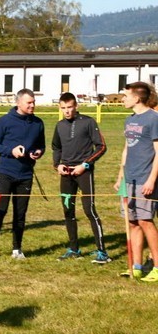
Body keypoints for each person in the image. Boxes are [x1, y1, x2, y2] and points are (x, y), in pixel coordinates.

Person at [0, 88, 45, 260]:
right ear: (18, 103)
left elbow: (41, 145)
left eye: (33, 102)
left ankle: (17, 249)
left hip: (26, 175)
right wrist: (11, 151)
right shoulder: (5, 121)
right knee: (0, 209)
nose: (32, 105)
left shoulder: (38, 123)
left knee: (20, 212)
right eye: (29, 102)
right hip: (6, 172)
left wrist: (38, 152)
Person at [51, 92, 110, 263]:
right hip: (67, 174)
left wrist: (85, 165)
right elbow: (56, 147)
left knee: (89, 210)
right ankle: (74, 249)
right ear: (59, 108)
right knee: (68, 211)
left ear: (76, 106)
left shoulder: (88, 122)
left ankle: (102, 252)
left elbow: (101, 146)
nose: (67, 111)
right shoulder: (59, 125)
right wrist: (57, 165)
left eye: (70, 107)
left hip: (84, 173)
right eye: (63, 108)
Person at [114, 82, 158, 281]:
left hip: (144, 179)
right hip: (129, 179)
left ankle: (157, 267)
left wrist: (151, 180)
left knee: (145, 221)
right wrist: (120, 176)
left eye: (126, 95)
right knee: (132, 222)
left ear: (137, 98)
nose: (123, 99)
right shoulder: (129, 119)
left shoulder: (153, 119)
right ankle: (137, 266)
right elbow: (127, 149)